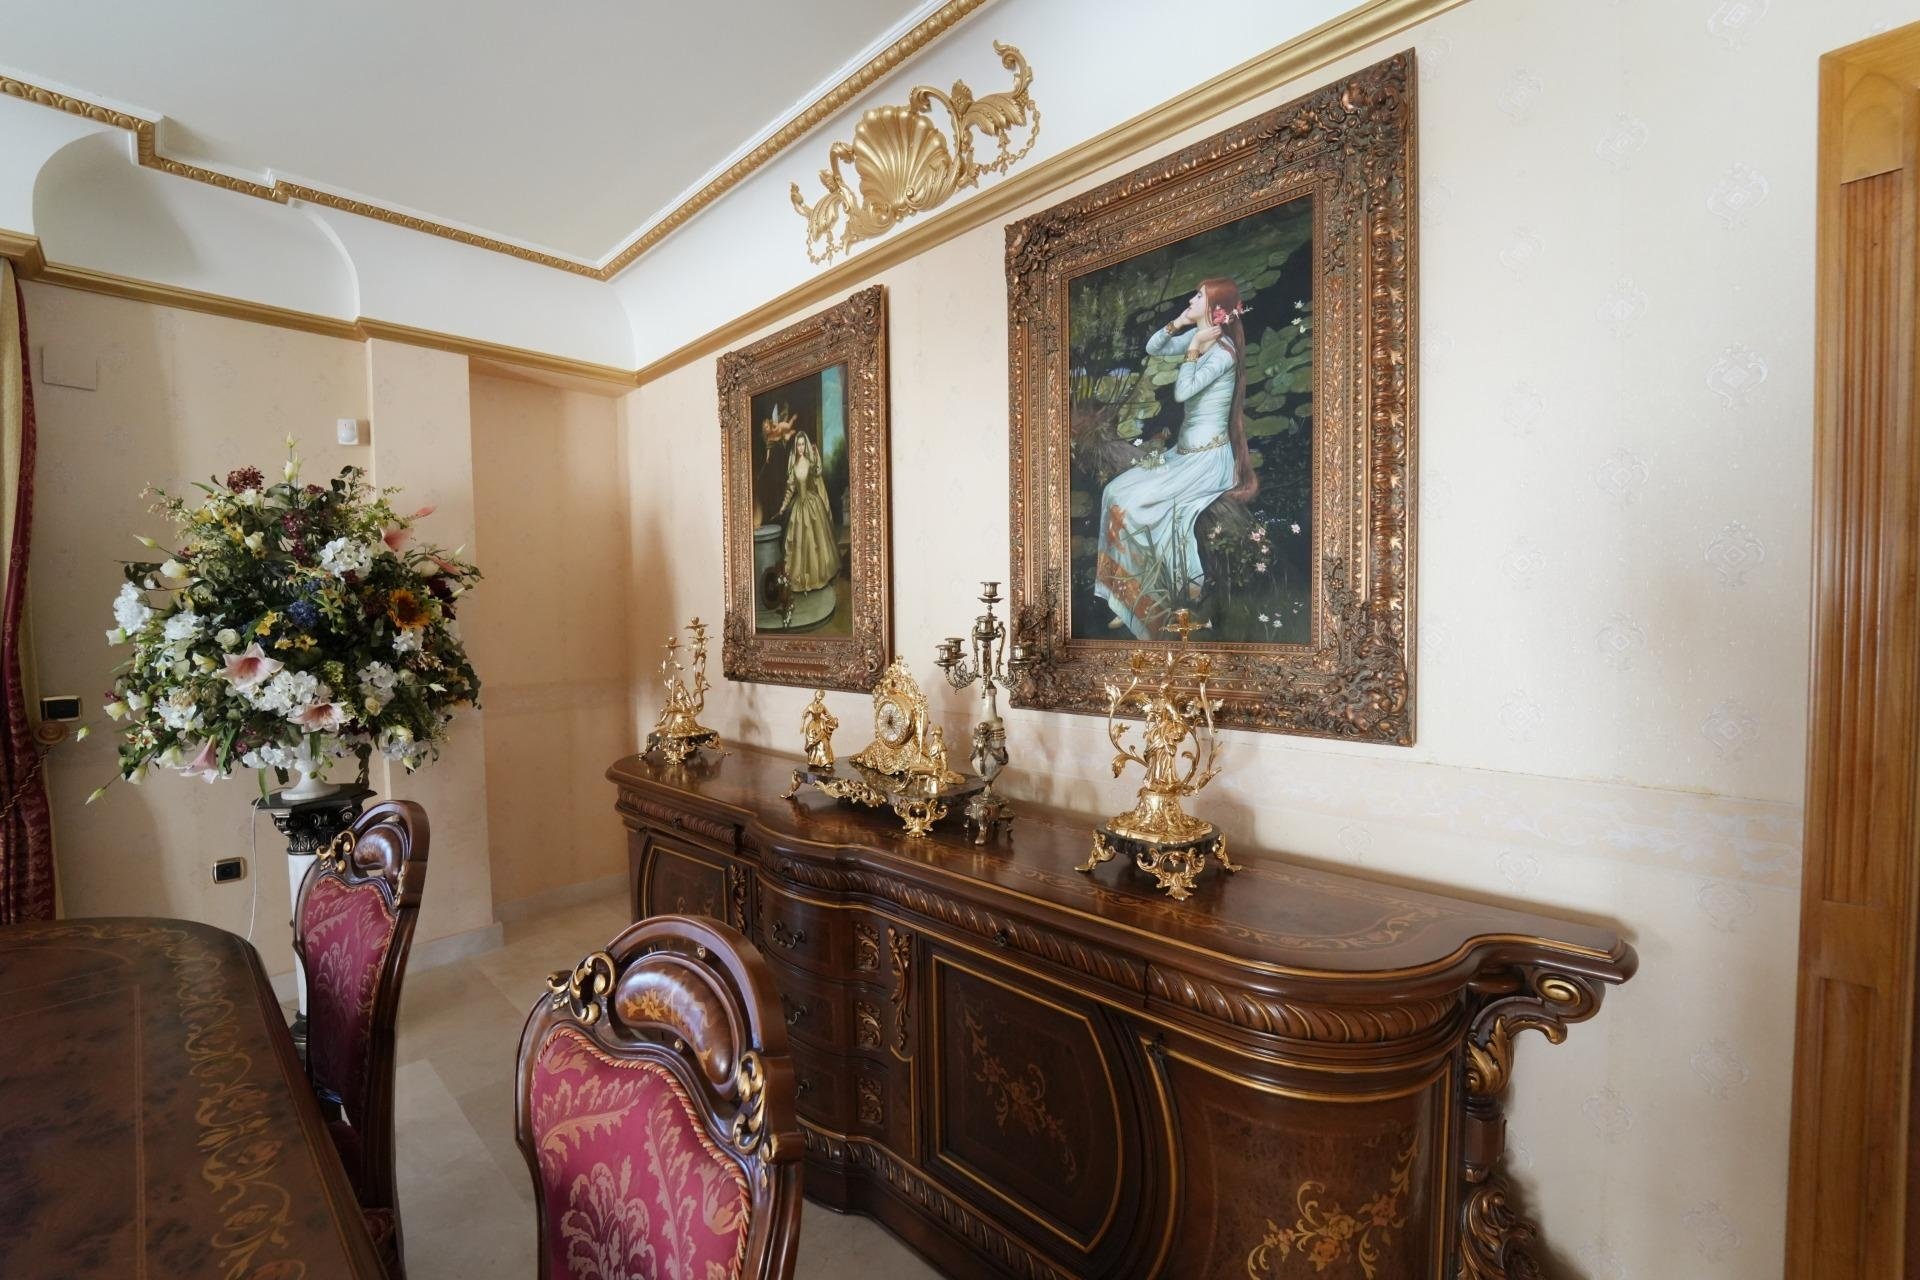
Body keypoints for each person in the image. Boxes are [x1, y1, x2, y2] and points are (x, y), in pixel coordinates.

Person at [1093, 278, 1257, 639]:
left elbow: (1183, 392)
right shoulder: (1200, 336)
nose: (1191, 299)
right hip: (1182, 456)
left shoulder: (1223, 352)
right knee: (1113, 492)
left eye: (1199, 296)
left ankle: (1157, 600)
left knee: (1139, 508)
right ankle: (1129, 596)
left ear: (1215, 309)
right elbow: (1154, 347)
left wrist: (1194, 347)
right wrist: (1180, 323)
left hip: (1206, 461)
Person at [767, 406, 840, 593]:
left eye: (802, 444)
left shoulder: (810, 461)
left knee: (815, 543)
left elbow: (818, 472)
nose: (800, 447)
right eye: (798, 445)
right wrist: (783, 507)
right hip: (799, 506)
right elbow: (790, 488)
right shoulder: (793, 466)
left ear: (805, 445)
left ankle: (817, 577)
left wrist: (816, 455)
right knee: (799, 544)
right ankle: (800, 580)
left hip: (813, 504)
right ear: (795, 446)